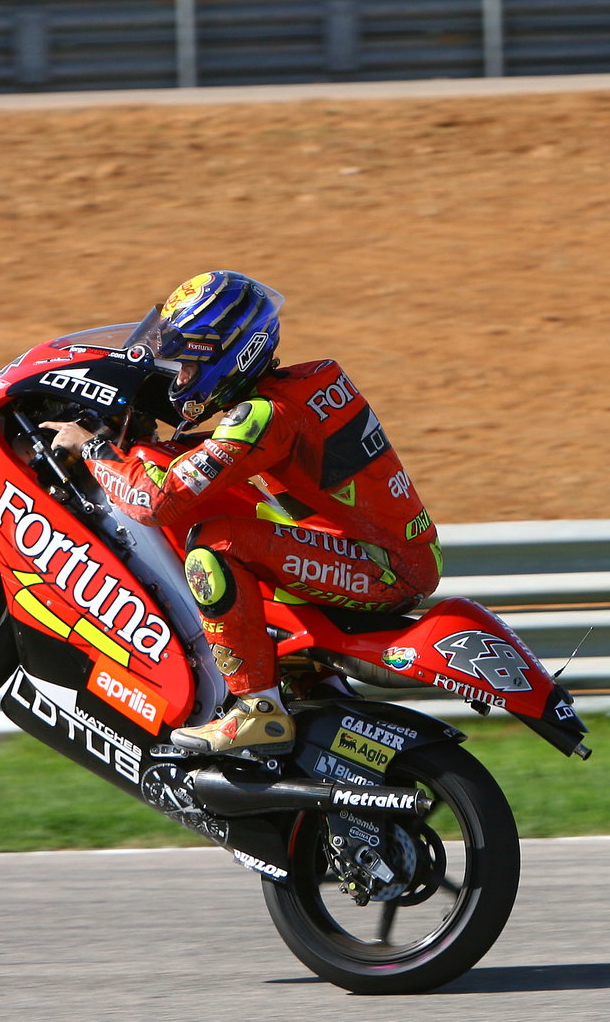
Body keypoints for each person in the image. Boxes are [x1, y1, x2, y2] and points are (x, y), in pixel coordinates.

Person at [42, 270, 440, 754]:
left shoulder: (262, 415)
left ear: (232, 353)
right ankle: (315, 696)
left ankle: (259, 709)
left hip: (380, 567)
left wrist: (95, 448)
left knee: (215, 544)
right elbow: (240, 453)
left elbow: (155, 503)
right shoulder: (303, 385)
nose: (179, 375)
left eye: (188, 358)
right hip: (387, 550)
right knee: (249, 536)